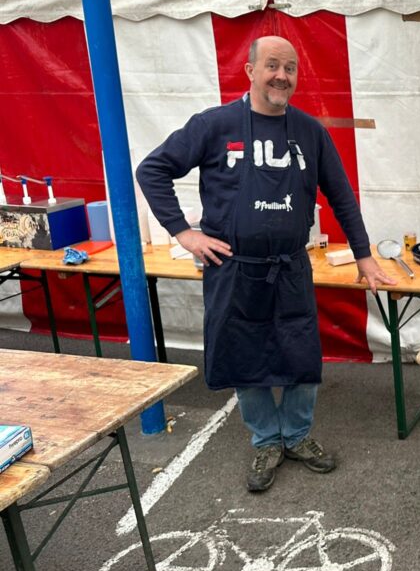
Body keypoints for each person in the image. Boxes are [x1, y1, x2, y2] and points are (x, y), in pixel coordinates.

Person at [137, 35, 394, 494]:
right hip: (234, 268)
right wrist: (183, 232)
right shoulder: (214, 125)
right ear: (250, 70)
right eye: (272, 65)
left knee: (300, 356)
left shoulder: (310, 132)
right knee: (245, 358)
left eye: (290, 68)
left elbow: (341, 195)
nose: (282, 75)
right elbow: (153, 170)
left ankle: (296, 436)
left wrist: (363, 255)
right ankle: (266, 441)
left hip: (290, 267)